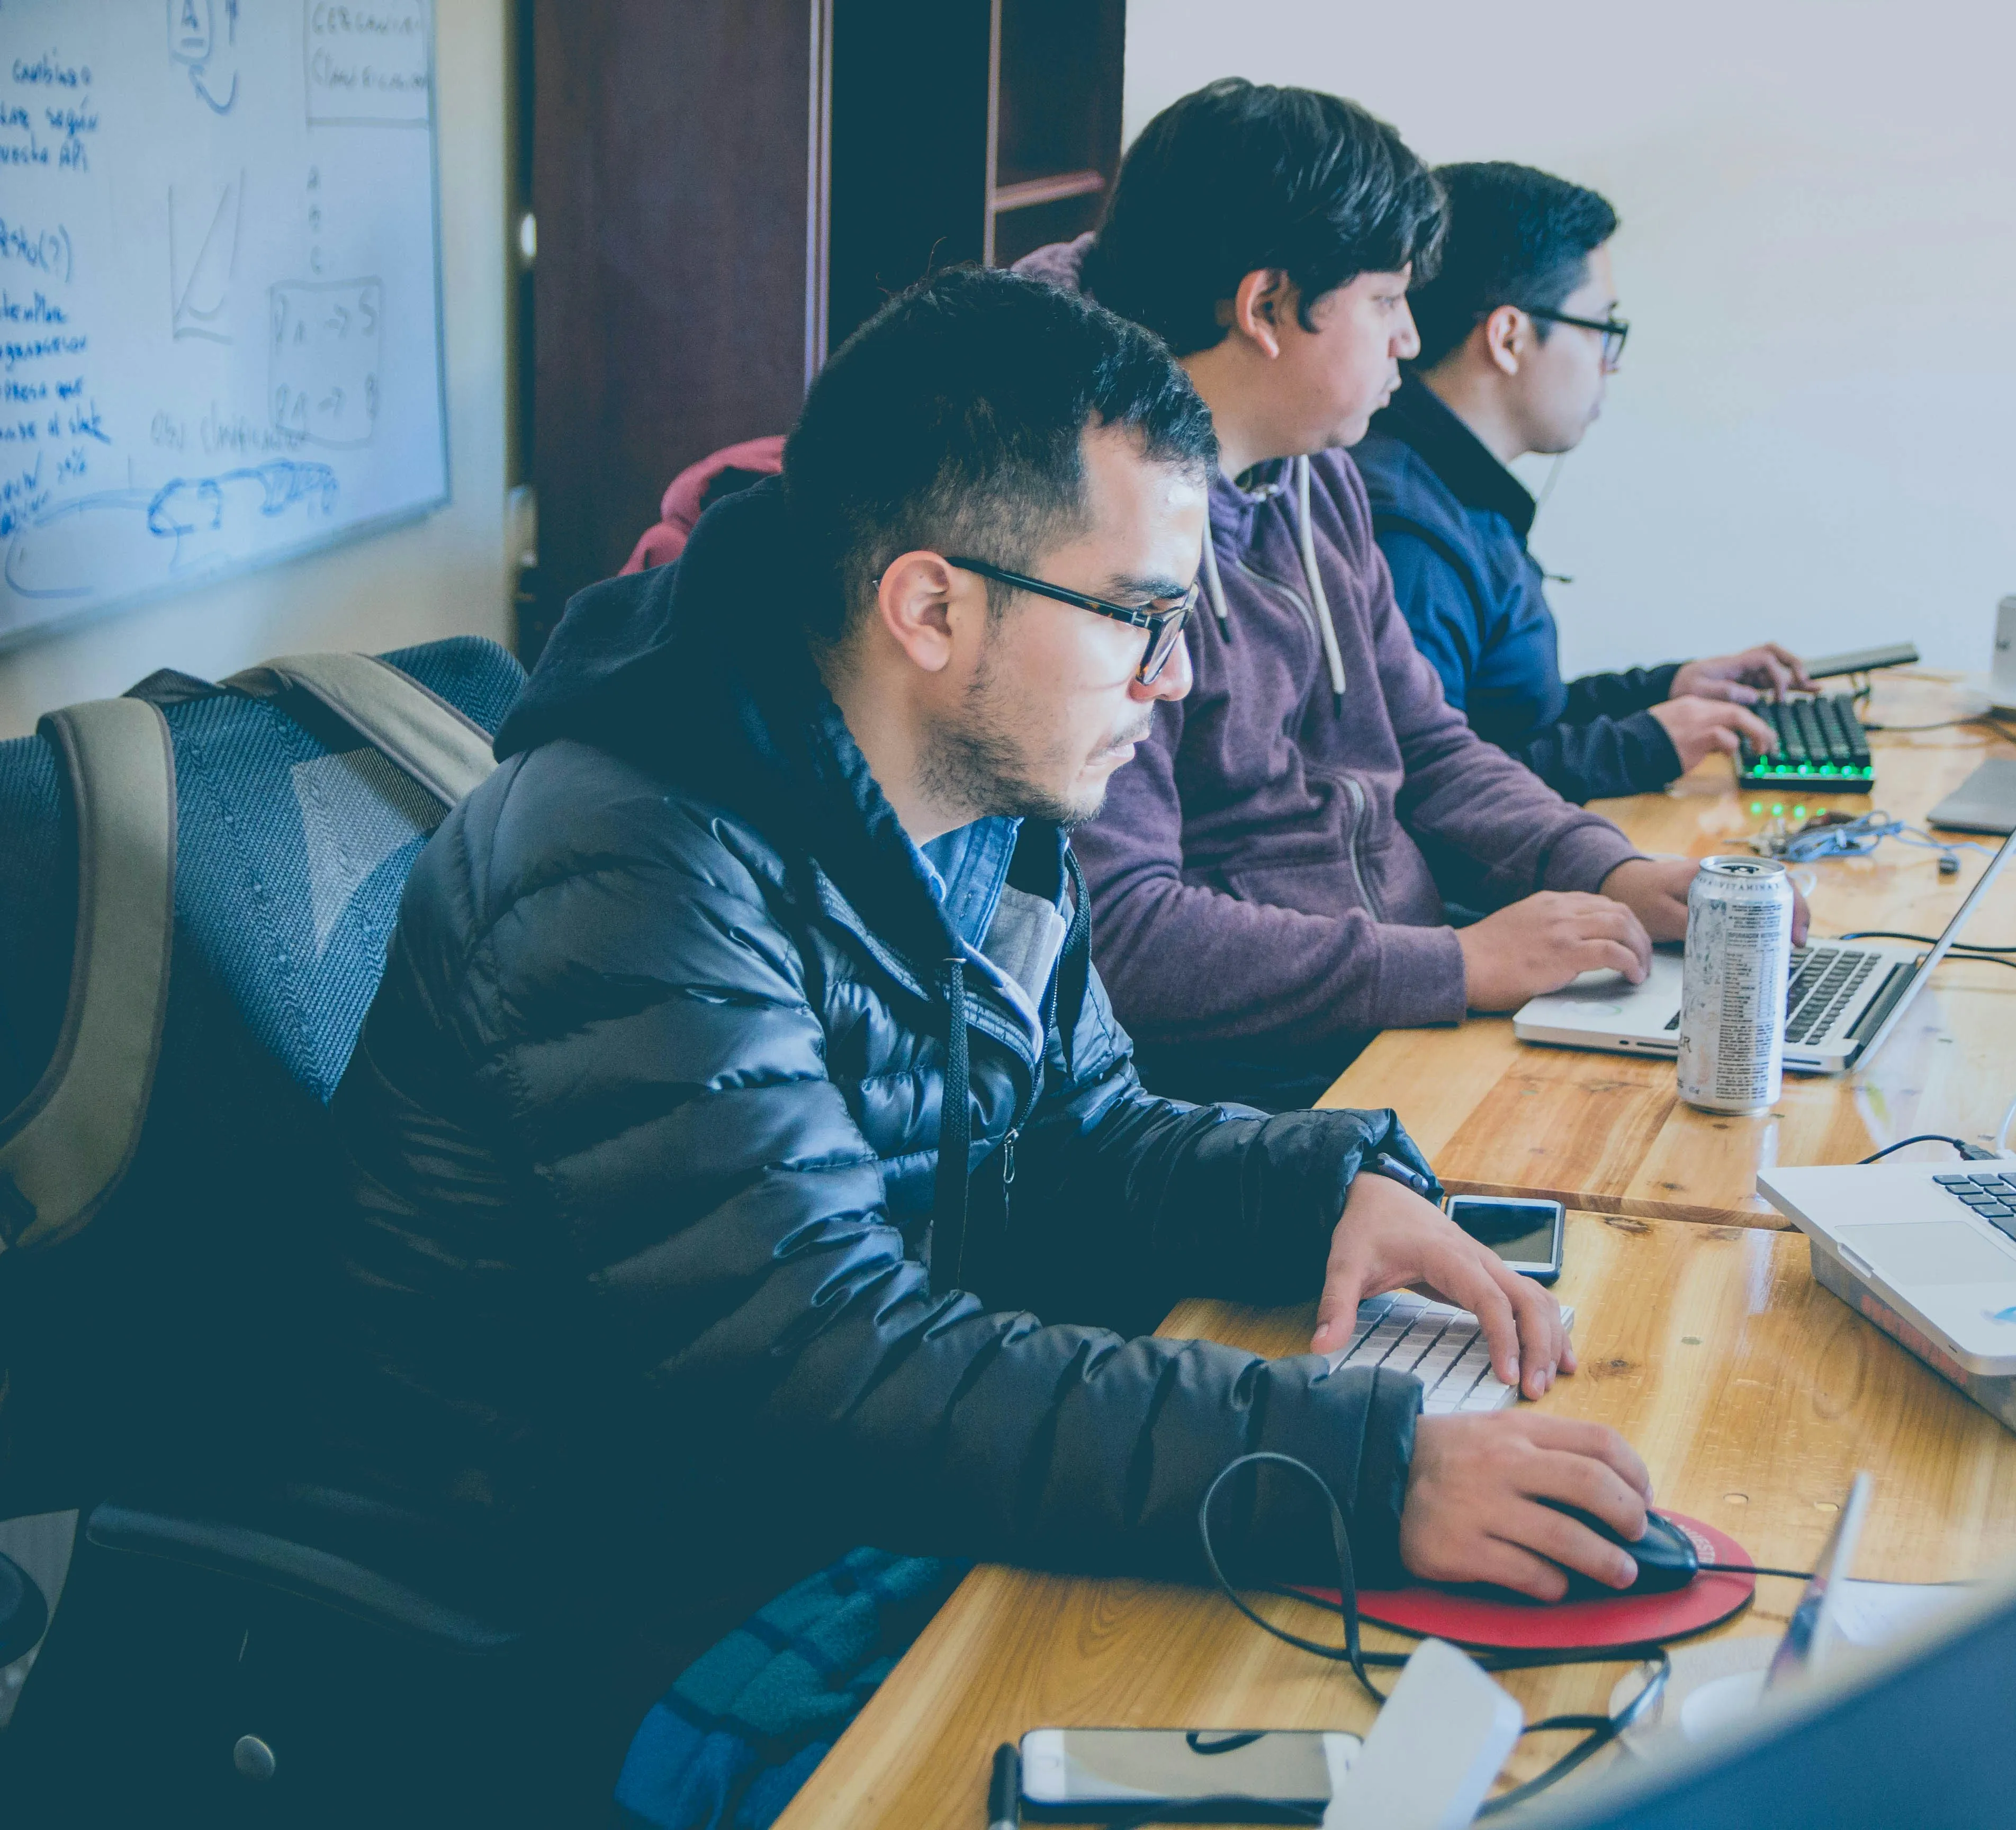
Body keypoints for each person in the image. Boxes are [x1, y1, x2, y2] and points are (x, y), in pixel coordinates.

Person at [319, 268, 1655, 1807]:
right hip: (612, 1610)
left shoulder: (980, 787)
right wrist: (1356, 1470)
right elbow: (832, 1361)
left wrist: (1325, 1186)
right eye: (1143, 617)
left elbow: (1084, 1129)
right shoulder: (625, 858)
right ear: (931, 606)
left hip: (847, 1510)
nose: (1179, 677)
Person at [1017, 80, 1797, 1111]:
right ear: (1265, 309)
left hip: (1395, 1024)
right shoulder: (1089, 547)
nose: (1410, 339)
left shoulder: (1318, 474)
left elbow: (1429, 744)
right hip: (1255, 1090)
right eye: (1386, 302)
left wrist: (1604, 869)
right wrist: (1457, 966)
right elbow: (1124, 933)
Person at [1354, 162, 1809, 804]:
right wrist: (1643, 746)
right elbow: (1425, 796)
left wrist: (1669, 688)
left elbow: (1509, 718)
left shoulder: (1458, 492)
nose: (1610, 366)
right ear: (1508, 337)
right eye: (1604, 330)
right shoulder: (1409, 538)